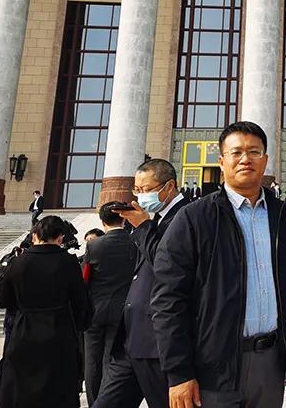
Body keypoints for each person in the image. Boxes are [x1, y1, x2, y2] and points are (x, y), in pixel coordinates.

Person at [152, 121, 286, 408]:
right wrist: (179, 372)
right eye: (236, 152)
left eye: (254, 152)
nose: (246, 159)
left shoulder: (285, 217)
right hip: (213, 365)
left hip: (270, 363)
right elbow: (168, 300)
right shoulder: (195, 218)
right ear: (221, 162)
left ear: (265, 160)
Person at [92, 158, 187, 408]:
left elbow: (168, 265)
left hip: (158, 343)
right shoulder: (154, 219)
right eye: (137, 189)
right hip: (130, 339)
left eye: (146, 189)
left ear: (169, 186)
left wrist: (143, 226)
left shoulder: (187, 216)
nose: (141, 195)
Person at [0, 214, 92, 408]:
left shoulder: (18, 262)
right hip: (59, 331)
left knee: (21, 387)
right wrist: (79, 327)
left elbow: (3, 299)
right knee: (58, 388)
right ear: (60, 237)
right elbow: (81, 301)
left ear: (35, 235)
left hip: (24, 331)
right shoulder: (68, 262)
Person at [82, 202, 140, 406]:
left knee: (92, 361)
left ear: (102, 221)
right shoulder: (136, 243)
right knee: (112, 360)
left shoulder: (94, 245)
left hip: (95, 310)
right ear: (124, 219)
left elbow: (85, 278)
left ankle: (94, 402)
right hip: (123, 310)